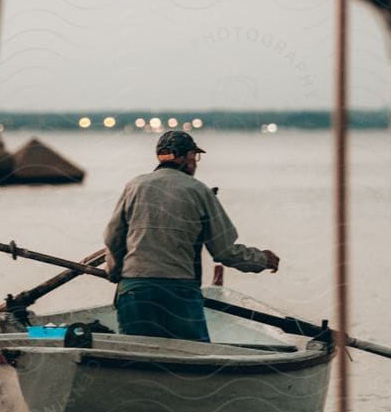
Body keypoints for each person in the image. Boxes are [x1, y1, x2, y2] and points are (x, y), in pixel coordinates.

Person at [102, 129, 280, 341]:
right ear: (186, 157)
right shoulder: (199, 191)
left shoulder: (134, 186)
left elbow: (113, 237)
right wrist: (262, 259)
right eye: (195, 156)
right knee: (196, 357)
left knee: (136, 357)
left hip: (133, 291)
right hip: (178, 293)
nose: (195, 162)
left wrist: (114, 272)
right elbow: (224, 251)